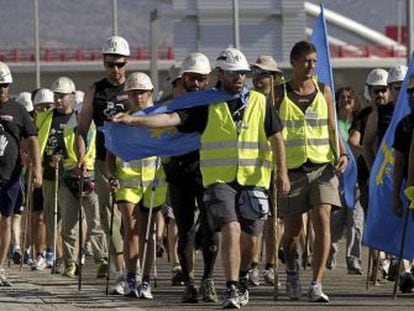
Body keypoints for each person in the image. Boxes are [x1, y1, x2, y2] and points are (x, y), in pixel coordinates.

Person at [111, 47, 290, 309]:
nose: (239, 78)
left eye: (242, 73)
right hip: (219, 179)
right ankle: (229, 287)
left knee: (251, 238)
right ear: (220, 74)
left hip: (254, 180)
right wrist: (133, 121)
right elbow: (172, 118)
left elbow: (276, 138)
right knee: (229, 226)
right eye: (233, 73)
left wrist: (282, 173)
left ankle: (241, 278)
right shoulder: (207, 104)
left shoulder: (260, 102)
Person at [274, 40, 348, 302]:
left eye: (314, 61)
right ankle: (292, 269)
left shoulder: (324, 91)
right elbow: (272, 134)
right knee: (292, 232)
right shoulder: (279, 93)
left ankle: (316, 283)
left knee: (322, 218)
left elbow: (331, 126)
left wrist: (341, 152)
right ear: (294, 63)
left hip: (322, 168)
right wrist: (278, 170)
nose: (311, 66)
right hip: (292, 171)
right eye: (306, 61)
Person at [75, 35, 130, 294]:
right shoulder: (95, 91)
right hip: (103, 161)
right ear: (104, 63)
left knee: (134, 217)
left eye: (119, 64)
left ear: (127, 62)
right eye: (110, 64)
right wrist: (81, 155)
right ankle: (120, 272)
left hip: (134, 161)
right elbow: (82, 128)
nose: (115, 70)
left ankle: (136, 268)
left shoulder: (136, 87)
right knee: (111, 218)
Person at [106, 72, 167, 299]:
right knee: (130, 231)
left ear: (150, 93)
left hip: (153, 184)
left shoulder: (161, 119)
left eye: (141, 92)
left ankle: (147, 280)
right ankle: (131, 278)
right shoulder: (120, 121)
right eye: (133, 93)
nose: (138, 97)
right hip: (128, 183)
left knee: (148, 235)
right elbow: (110, 155)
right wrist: (112, 175)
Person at [57, 89, 108, 278]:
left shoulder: (97, 131)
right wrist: (57, 158)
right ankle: (71, 263)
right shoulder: (67, 131)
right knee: (69, 226)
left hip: (91, 179)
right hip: (69, 180)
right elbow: (59, 150)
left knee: (95, 223)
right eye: (79, 114)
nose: (82, 117)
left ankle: (101, 260)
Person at [0, 61, 42, 285]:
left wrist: (37, 168)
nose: (1, 90)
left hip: (11, 175)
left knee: (6, 220)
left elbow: (32, 140)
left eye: (5, 85)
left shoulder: (18, 110)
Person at [248, 54, 285, 286]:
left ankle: (270, 265)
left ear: (274, 78)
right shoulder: (249, 100)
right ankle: (253, 265)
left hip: (279, 166)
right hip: (256, 167)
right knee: (257, 219)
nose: (259, 78)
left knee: (276, 220)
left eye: (264, 74)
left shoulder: (284, 101)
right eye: (256, 73)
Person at [327, 87, 364, 275]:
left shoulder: (359, 122)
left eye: (349, 97)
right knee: (335, 221)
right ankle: (331, 251)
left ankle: (353, 259)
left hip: (356, 178)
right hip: (336, 177)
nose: (346, 100)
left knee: (355, 219)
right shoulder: (332, 121)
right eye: (342, 97)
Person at [392, 72, 414, 292]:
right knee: (409, 232)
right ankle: (406, 271)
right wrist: (395, 196)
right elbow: (398, 163)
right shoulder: (405, 125)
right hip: (411, 187)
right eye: (411, 92)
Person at [29, 88, 55, 270]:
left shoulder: (59, 121)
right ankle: (39, 254)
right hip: (37, 174)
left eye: (48, 106)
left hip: (55, 175)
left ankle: (53, 253)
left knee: (54, 216)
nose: (45, 110)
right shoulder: (31, 123)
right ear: (35, 107)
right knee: (37, 216)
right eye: (41, 107)